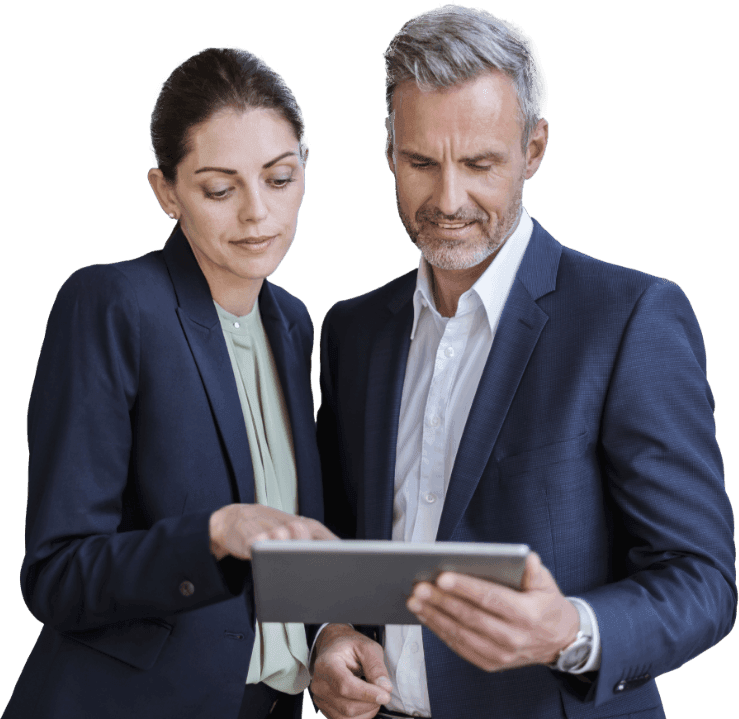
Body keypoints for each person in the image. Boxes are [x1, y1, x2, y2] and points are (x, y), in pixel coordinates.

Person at [309, 6, 736, 719]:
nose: (447, 199)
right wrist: (329, 633)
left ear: (533, 150)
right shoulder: (353, 331)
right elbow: (336, 538)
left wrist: (570, 629)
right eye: (420, 162)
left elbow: (703, 581)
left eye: (479, 163)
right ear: (387, 150)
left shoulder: (629, 318)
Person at [3, 47, 335, 719]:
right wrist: (213, 533)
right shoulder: (113, 303)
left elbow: (288, 554)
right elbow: (58, 575)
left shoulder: (293, 324)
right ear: (166, 191)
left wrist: (329, 633)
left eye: (279, 177)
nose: (256, 213)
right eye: (219, 187)